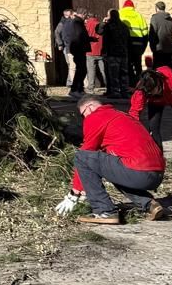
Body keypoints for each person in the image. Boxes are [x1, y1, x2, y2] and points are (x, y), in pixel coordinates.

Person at [54, 95, 166, 225]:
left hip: (139, 172)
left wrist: (74, 193)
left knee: (81, 156)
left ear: (89, 107)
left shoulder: (95, 117)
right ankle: (149, 204)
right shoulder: (121, 115)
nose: (84, 118)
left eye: (83, 114)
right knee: (113, 166)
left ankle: (104, 211)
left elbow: (85, 155)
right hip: (157, 174)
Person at [56, 9, 90, 97]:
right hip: (78, 48)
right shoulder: (76, 23)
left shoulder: (77, 22)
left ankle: (80, 89)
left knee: (82, 70)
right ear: (83, 14)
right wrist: (64, 44)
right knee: (80, 69)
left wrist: (89, 39)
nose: (86, 17)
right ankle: (74, 89)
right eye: (86, 15)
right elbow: (77, 36)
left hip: (78, 48)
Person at [97, 6, 130, 99]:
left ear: (110, 16)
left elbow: (99, 31)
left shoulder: (109, 26)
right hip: (123, 53)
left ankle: (115, 92)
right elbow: (128, 39)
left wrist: (103, 22)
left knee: (114, 74)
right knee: (124, 74)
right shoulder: (124, 26)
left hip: (113, 53)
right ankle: (124, 91)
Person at [120, 0, 150, 82]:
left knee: (127, 64)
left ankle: (130, 82)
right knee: (138, 65)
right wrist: (143, 47)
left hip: (125, 44)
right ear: (133, 6)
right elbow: (145, 33)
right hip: (138, 44)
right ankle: (140, 82)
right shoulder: (139, 15)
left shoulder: (120, 13)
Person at [148, 1, 172, 66]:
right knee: (167, 68)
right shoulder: (170, 18)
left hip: (158, 49)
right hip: (169, 48)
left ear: (156, 8)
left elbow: (152, 34)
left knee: (158, 68)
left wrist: (152, 47)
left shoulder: (155, 18)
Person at [84, 12, 105, 92]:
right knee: (103, 70)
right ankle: (109, 86)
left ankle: (91, 87)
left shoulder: (86, 25)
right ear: (95, 16)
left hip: (90, 51)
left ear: (88, 17)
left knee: (91, 70)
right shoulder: (100, 24)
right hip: (100, 50)